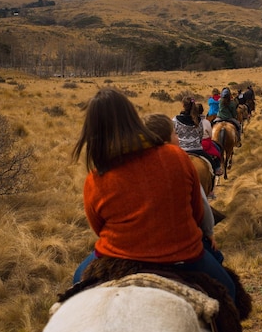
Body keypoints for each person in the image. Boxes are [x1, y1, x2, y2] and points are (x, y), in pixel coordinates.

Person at [70, 88, 234, 301]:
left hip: (116, 255)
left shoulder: (94, 177)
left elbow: (99, 228)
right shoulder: (175, 156)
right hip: (181, 254)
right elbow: (196, 209)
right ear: (133, 118)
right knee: (229, 291)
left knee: (77, 280)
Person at [143, 112, 224, 264]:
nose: (177, 137)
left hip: (140, 243)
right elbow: (202, 206)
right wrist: (209, 232)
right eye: (175, 134)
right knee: (227, 281)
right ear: (167, 138)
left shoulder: (131, 163)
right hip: (179, 242)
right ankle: (215, 173)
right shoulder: (180, 161)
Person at [173, 96, 223, 176]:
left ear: (183, 105)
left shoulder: (175, 120)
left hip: (181, 150)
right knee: (212, 165)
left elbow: (173, 134)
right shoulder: (199, 120)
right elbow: (200, 135)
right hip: (197, 149)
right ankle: (216, 170)